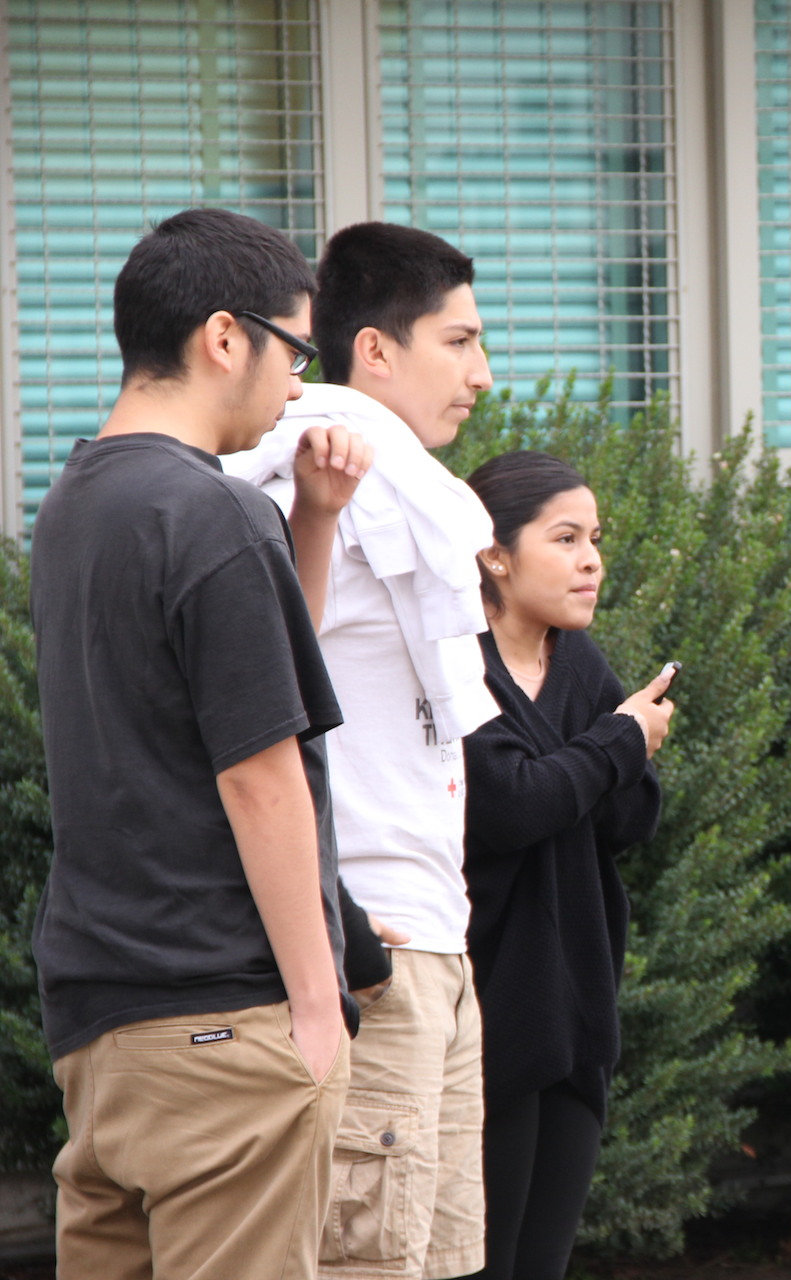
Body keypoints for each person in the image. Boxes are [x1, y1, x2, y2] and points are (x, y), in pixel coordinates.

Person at [30, 208, 371, 1278]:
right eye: (297, 351)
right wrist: (317, 1012)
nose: (299, 388)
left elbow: (241, 682)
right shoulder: (212, 512)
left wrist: (314, 518)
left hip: (105, 1025)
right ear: (226, 336)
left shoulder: (75, 503)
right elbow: (260, 771)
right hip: (223, 1022)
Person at [226, 221, 500, 1279]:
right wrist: (331, 912)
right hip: (366, 945)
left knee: (440, 1257)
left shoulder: (413, 489)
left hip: (437, 938)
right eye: (459, 341)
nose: (481, 373)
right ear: (375, 350)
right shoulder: (301, 467)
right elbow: (250, 708)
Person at [460, 451, 675, 1280]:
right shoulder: (457, 666)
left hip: (577, 1015)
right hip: (485, 1022)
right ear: (495, 554)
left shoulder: (577, 661)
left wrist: (616, 751)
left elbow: (631, 817)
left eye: (595, 539)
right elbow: (510, 805)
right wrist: (620, 741)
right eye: (565, 538)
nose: (592, 560)